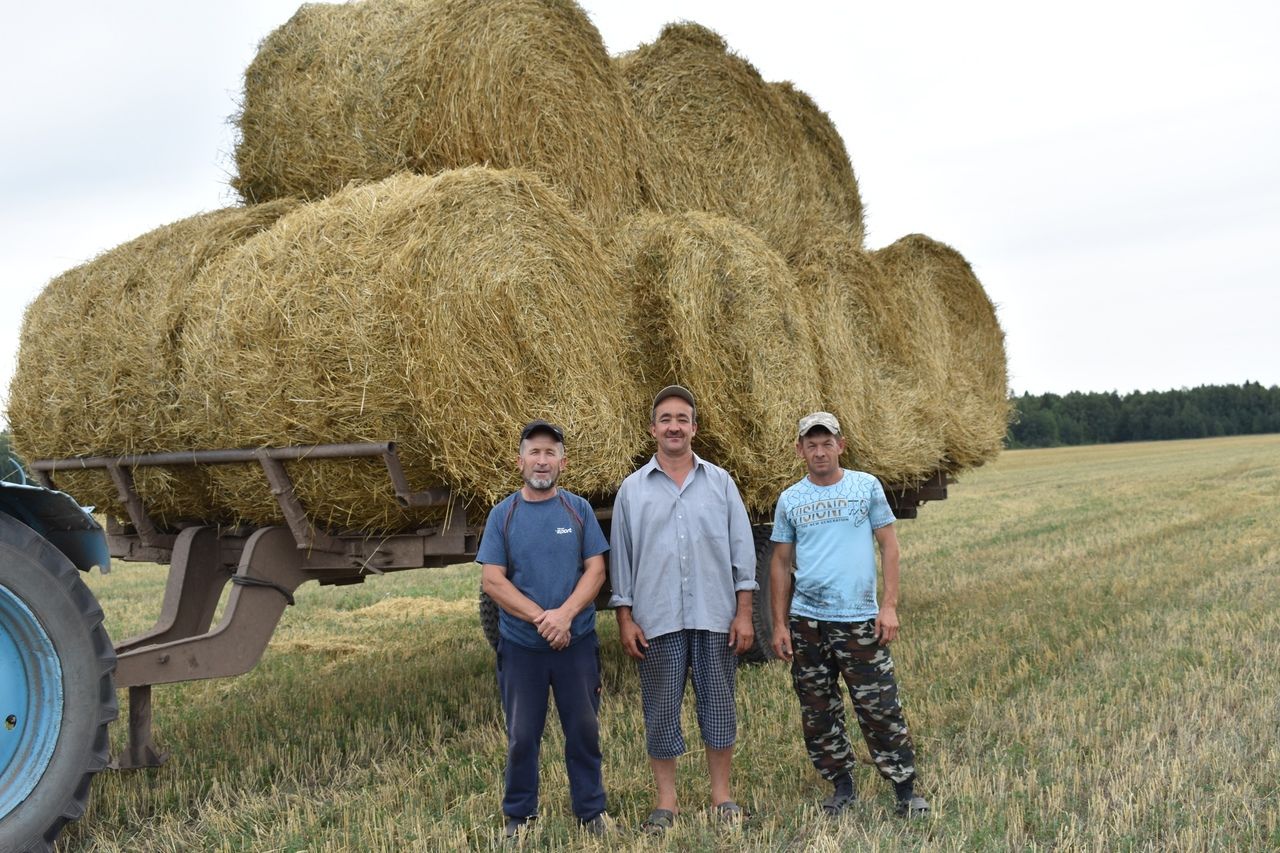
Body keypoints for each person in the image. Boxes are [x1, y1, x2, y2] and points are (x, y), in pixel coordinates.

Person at [609, 385, 757, 833]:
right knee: (660, 711)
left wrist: (744, 612)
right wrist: (625, 617)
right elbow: (622, 559)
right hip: (657, 621)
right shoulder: (632, 491)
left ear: (694, 427)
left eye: (682, 419)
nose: (674, 426)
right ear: (653, 429)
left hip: (715, 617)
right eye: (666, 419)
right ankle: (666, 803)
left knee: (718, 707)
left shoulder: (721, 483)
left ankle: (721, 796)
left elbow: (741, 551)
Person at [769, 411, 930, 819]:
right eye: (811, 444)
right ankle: (840, 784)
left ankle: (904, 788)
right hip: (808, 622)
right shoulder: (791, 499)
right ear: (800, 450)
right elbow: (780, 563)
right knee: (818, 708)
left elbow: (889, 547)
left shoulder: (866, 487)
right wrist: (779, 624)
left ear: (841, 446)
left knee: (879, 706)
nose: (819, 451)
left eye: (827, 443)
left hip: (858, 618)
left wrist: (888, 605)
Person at [477, 420, 612, 839]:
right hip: (522, 648)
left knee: (584, 730)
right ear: (520, 462)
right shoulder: (503, 514)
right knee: (521, 735)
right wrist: (543, 619)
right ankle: (520, 814)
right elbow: (492, 581)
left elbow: (596, 570)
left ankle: (591, 812)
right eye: (534, 452)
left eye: (550, 453)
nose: (542, 460)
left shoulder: (579, 510)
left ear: (563, 463)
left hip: (576, 643)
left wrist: (566, 616)